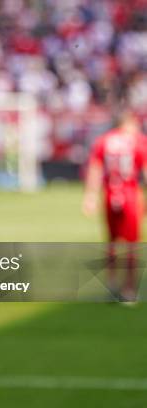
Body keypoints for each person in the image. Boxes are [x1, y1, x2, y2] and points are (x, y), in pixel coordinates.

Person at [83, 110, 147, 302]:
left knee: (111, 241)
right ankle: (129, 289)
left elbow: (95, 168)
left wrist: (90, 196)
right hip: (130, 194)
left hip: (110, 194)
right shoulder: (138, 141)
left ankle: (111, 285)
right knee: (132, 244)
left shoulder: (104, 140)